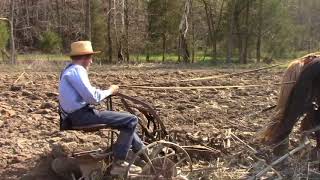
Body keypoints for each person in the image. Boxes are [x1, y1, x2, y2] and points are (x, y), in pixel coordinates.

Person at [58, 41, 143, 175]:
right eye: (90, 58)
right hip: (81, 115)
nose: (91, 62)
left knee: (123, 121)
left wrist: (105, 91)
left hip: (72, 116)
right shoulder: (77, 70)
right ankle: (119, 163)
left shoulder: (68, 70)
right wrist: (110, 90)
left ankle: (143, 151)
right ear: (84, 58)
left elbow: (87, 92)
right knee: (131, 120)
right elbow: (92, 97)